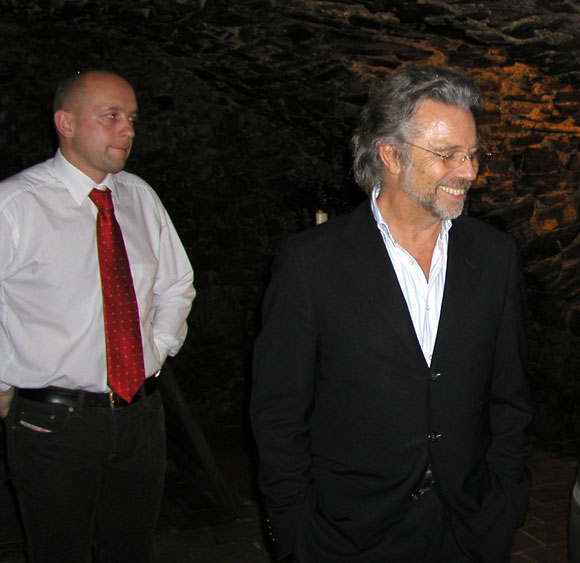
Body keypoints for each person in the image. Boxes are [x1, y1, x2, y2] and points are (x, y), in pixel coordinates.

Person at [250, 65, 534, 563]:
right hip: (349, 534)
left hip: (468, 525)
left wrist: (506, 499)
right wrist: (295, 529)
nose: (469, 171)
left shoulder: (495, 255)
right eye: (447, 154)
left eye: (472, 154)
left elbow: (510, 395)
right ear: (390, 155)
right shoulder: (311, 263)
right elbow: (279, 414)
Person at [0, 70, 195, 561]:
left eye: (131, 118)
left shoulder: (139, 197)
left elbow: (176, 284)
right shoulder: (15, 205)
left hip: (140, 415)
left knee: (130, 548)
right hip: (53, 422)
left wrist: (155, 350)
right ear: (65, 123)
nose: (127, 129)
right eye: (111, 116)